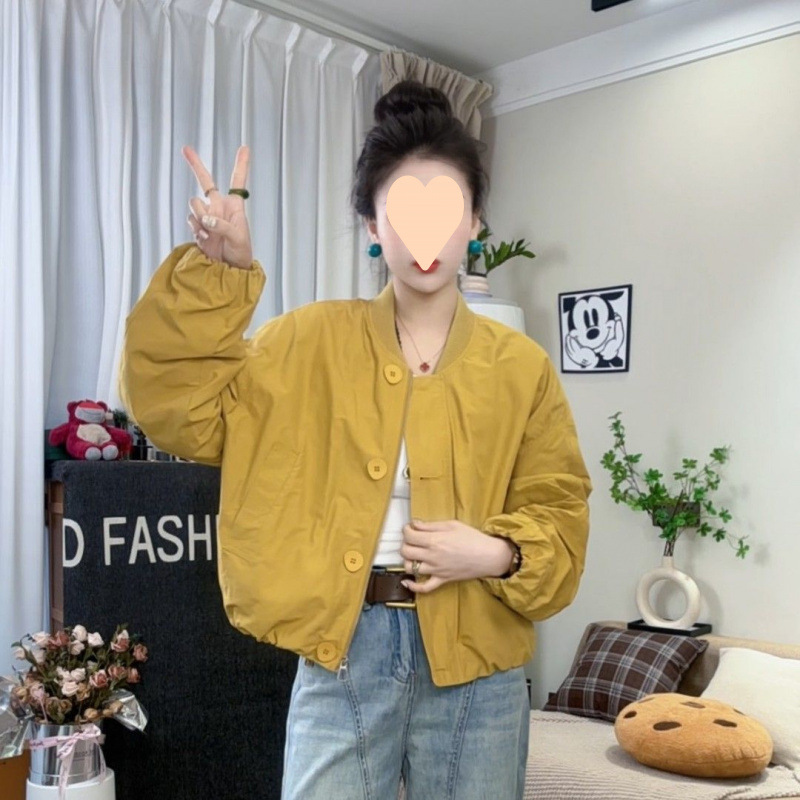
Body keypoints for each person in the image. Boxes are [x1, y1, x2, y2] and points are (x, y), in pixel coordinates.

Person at [119, 79, 593, 800]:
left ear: (474, 222)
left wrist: (495, 551)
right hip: (343, 650)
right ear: (374, 226)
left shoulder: (520, 368)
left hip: (480, 662)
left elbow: (560, 510)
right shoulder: (307, 343)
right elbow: (176, 407)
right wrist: (223, 273)